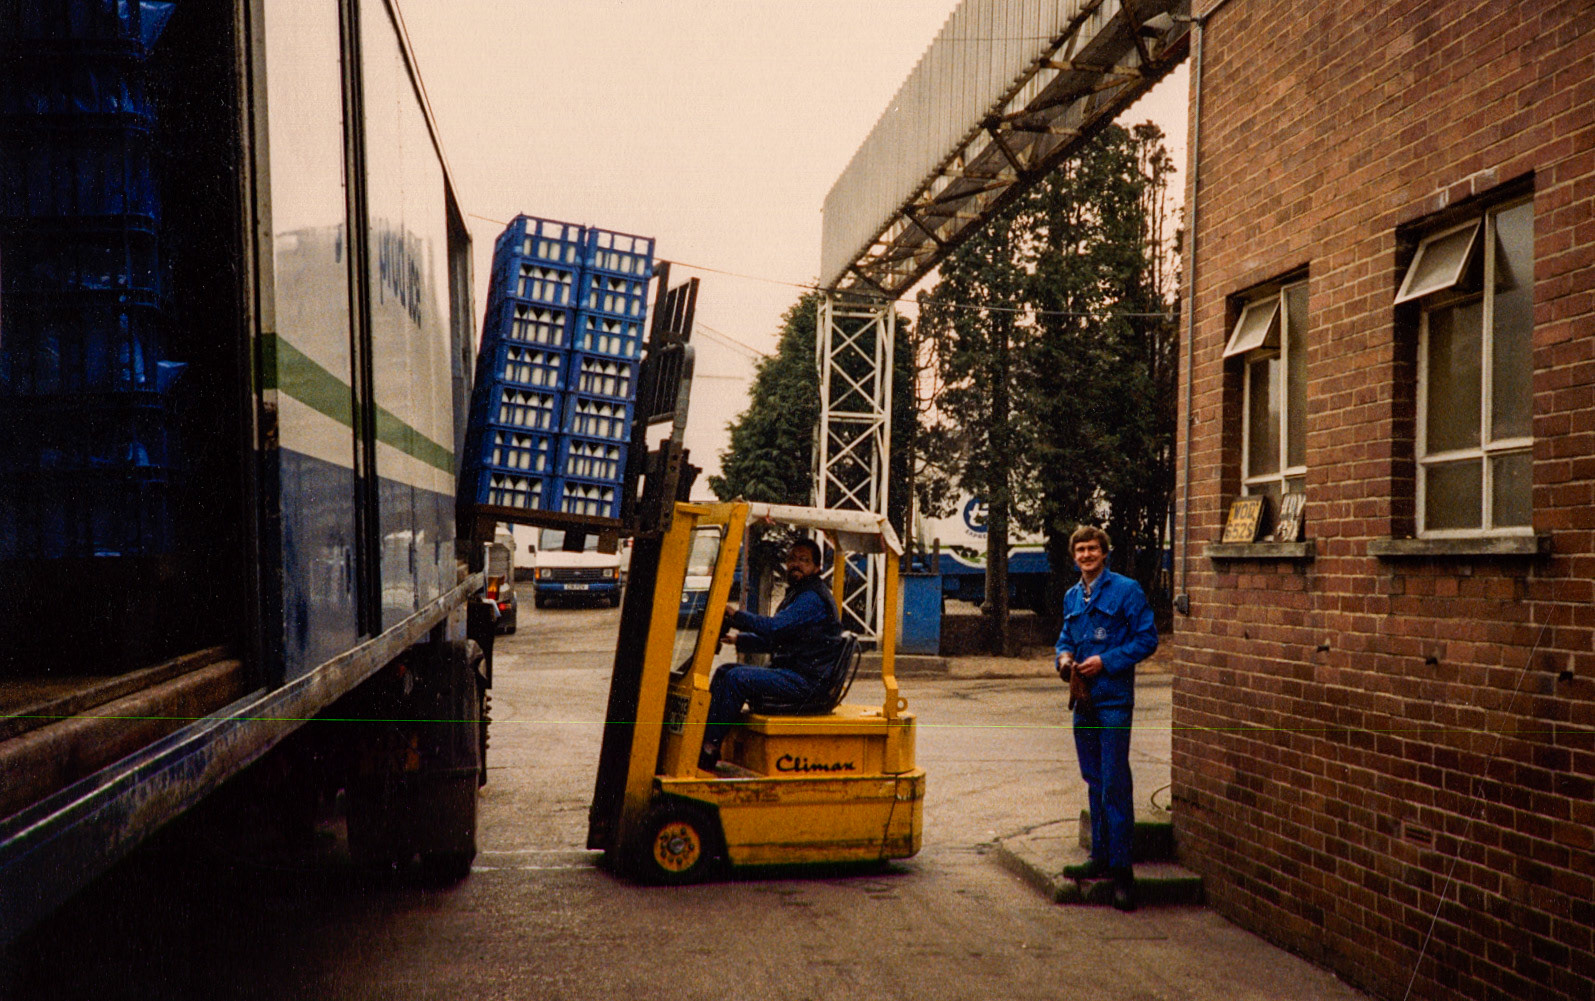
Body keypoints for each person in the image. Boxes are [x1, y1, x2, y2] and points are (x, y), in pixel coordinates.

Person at [1054, 525, 1158, 911]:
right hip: (1084, 702)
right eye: (1080, 550)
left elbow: (1147, 639)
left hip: (1114, 699)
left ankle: (1122, 874)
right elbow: (1066, 636)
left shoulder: (1127, 591)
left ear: (1104, 552)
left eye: (1092, 549)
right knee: (1094, 780)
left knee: (1114, 782)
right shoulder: (1071, 595)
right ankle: (1099, 856)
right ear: (1074, 555)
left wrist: (1106, 661)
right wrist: (1064, 658)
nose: (1086, 555)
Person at [700, 538, 841, 770]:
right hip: (798, 673)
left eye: (804, 560)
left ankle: (708, 749)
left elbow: (775, 628)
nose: (796, 564)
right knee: (726, 670)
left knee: (737, 679)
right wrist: (739, 640)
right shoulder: (799, 594)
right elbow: (781, 639)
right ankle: (706, 738)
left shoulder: (811, 598)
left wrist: (736, 616)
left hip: (807, 681)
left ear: (817, 568)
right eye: (792, 559)